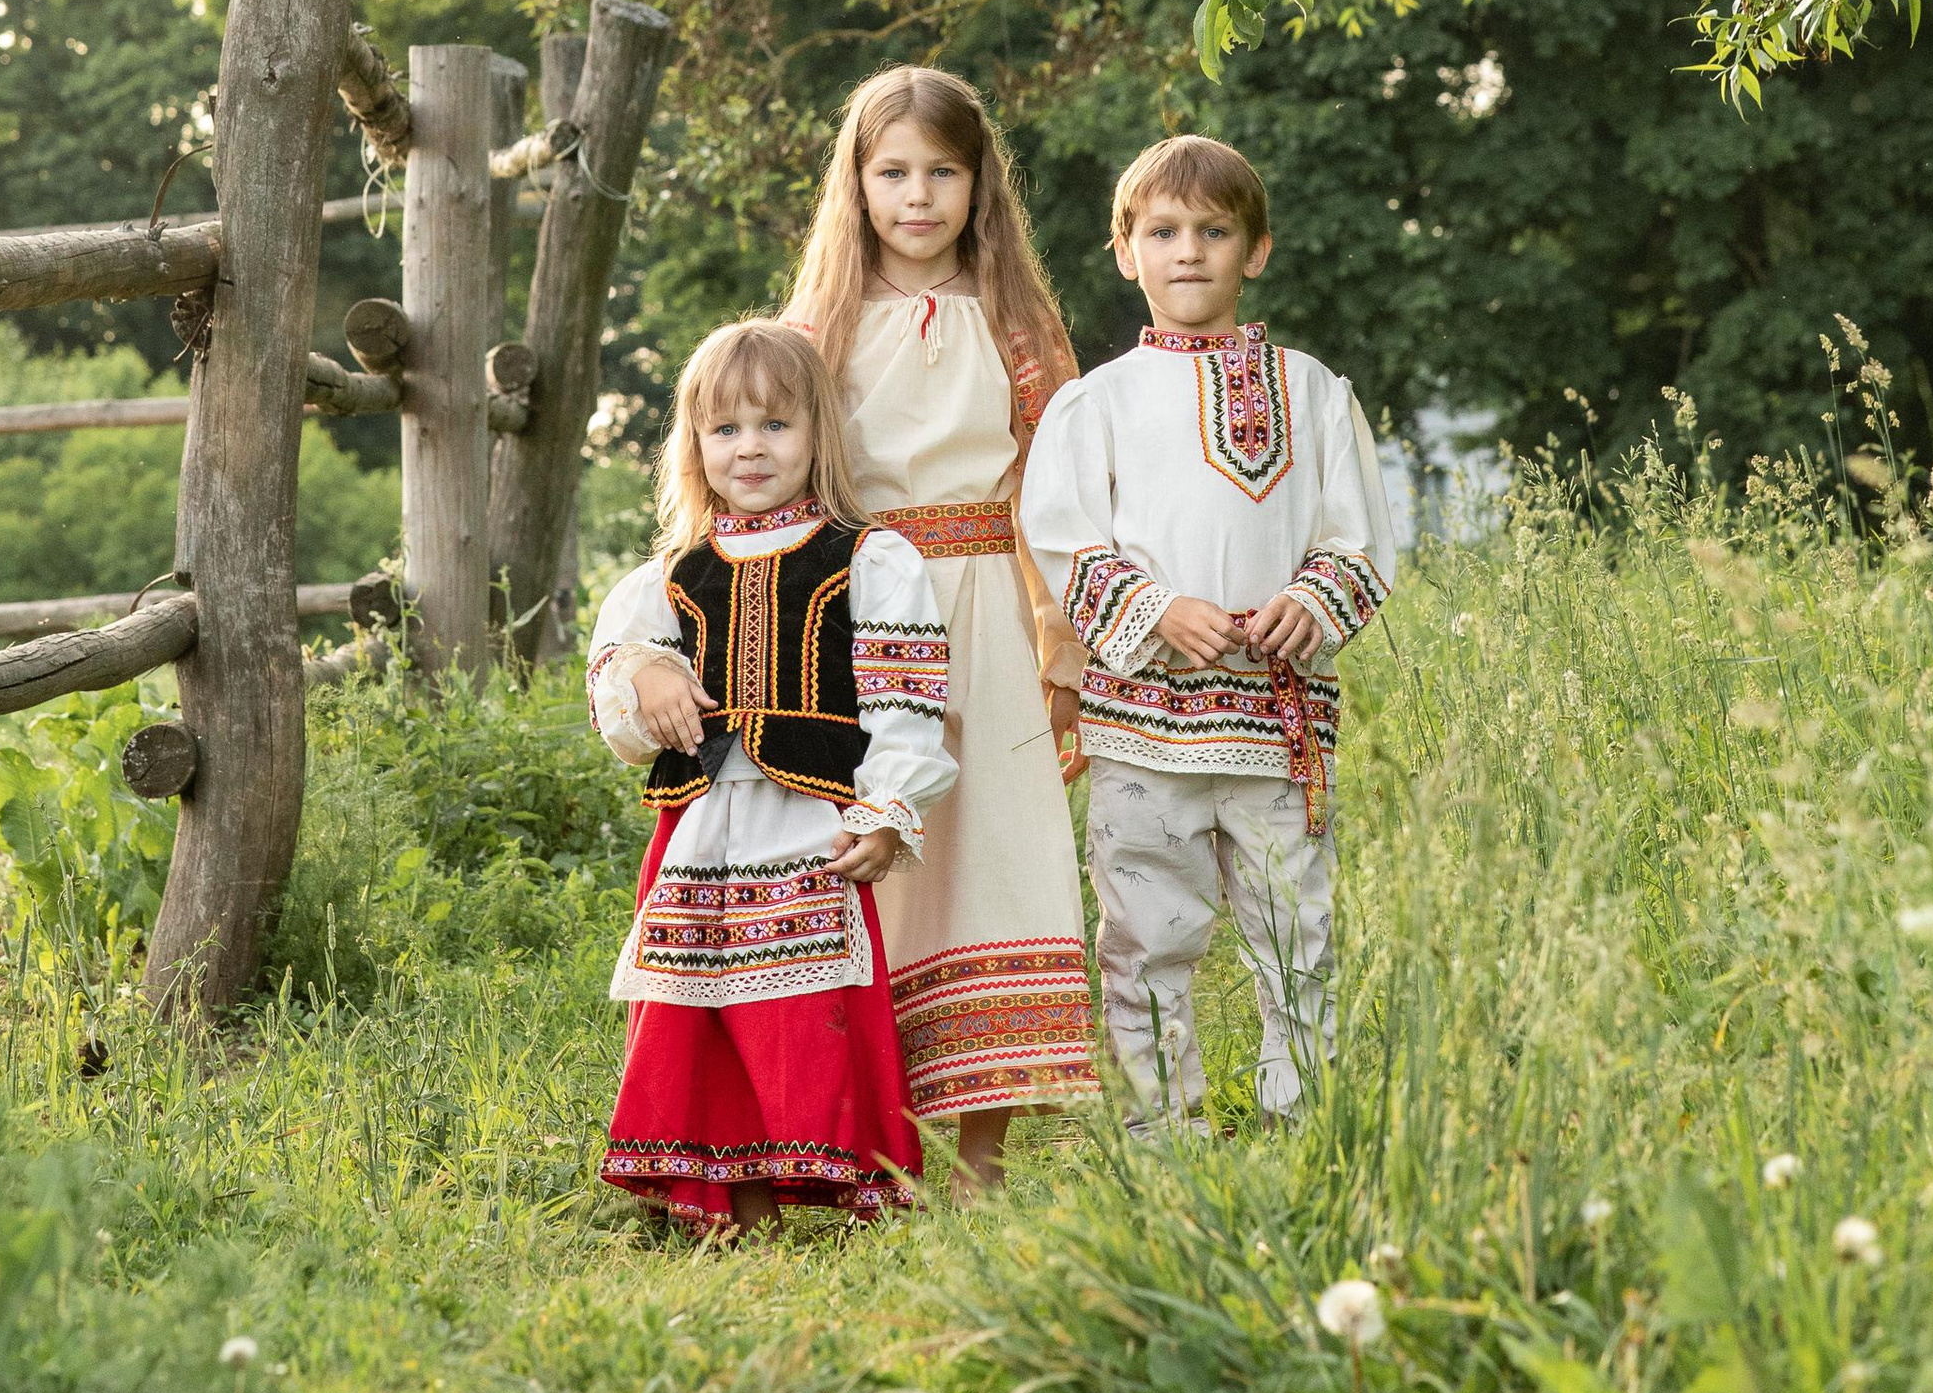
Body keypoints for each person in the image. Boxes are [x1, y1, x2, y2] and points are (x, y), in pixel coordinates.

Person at [1020, 134, 1394, 1129]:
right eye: (1163, 231)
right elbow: (1059, 538)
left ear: (1255, 251)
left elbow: (1357, 537)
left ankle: (1297, 1123)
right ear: (1124, 252)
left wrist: (1308, 602)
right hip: (1143, 726)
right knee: (1145, 937)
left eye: (1214, 231)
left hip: (1275, 724)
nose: (1188, 251)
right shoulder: (1091, 404)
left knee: (1294, 930)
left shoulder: (1313, 391)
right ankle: (1164, 1141)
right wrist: (1152, 610)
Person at [785, 67, 1098, 1186]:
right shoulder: (816, 327)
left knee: (995, 859)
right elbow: (774, 473)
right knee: (873, 859)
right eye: (893, 172)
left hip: (990, 616)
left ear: (979, 183)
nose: (918, 196)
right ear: (857, 182)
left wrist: (1062, 639)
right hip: (865, 611)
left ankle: (982, 1153)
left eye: (943, 172)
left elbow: (1059, 487)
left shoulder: (1014, 322)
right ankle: (864, 1138)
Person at [587, 317, 955, 1230]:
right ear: (695, 443)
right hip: (702, 831)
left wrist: (888, 811)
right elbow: (613, 693)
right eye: (726, 429)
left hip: (809, 822)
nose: (749, 448)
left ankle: (823, 1173)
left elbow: (905, 702)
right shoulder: (670, 576)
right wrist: (647, 672)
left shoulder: (868, 560)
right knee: (699, 1008)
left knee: (802, 1006)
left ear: (817, 435)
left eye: (774, 425)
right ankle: (731, 1201)